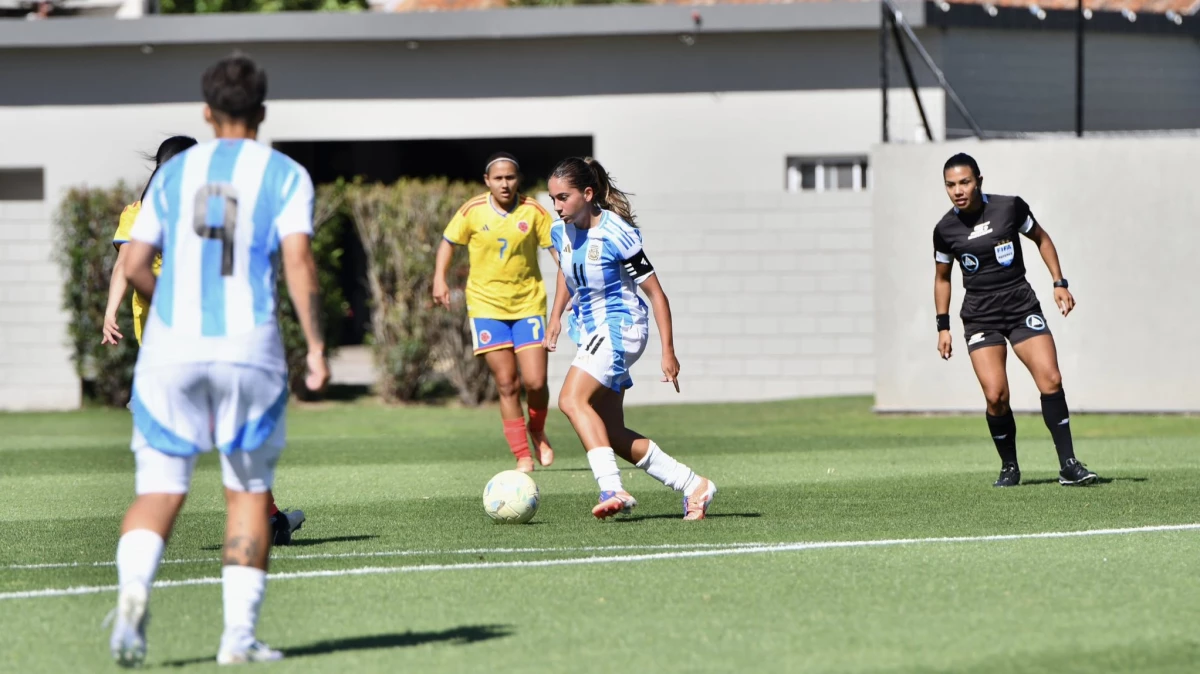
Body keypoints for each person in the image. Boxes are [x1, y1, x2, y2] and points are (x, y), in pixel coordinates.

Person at [108, 53, 329, 667]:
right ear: (262, 112)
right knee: (248, 494)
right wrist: (315, 347)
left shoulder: (172, 177)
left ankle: (131, 602)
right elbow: (299, 264)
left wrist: (174, 305)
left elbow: (133, 265)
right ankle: (238, 638)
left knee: (159, 490)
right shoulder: (285, 174)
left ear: (207, 113)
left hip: (169, 351)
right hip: (246, 348)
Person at [104, 136, 307, 547]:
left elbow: (126, 264)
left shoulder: (145, 212)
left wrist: (110, 311)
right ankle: (268, 520)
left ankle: (266, 519)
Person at [544, 157, 716, 520]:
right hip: (593, 332)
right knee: (610, 432)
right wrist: (555, 316)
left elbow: (657, 294)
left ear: (587, 194)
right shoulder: (560, 232)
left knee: (571, 400)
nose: (556, 206)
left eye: (563, 197)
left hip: (621, 328)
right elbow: (565, 271)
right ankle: (693, 485)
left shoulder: (616, 233)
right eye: (553, 198)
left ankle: (612, 488)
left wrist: (668, 352)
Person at [933, 152, 1097, 488]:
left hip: (1021, 307)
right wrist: (943, 327)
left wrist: (1059, 283)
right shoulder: (944, 230)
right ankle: (1009, 467)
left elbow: (1042, 239)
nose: (958, 191)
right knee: (996, 396)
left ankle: (1068, 465)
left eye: (964, 182)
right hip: (980, 317)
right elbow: (942, 278)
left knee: (1051, 379)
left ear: (979, 180)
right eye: (950, 185)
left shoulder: (1009, 208)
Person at [433, 152, 557, 473]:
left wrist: (574, 282)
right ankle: (522, 455)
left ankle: (537, 429)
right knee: (506, 383)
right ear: (487, 181)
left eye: (510, 177)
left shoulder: (534, 211)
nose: (505, 183)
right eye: (498, 178)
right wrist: (439, 279)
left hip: (528, 304)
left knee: (536, 381)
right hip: (486, 306)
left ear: (519, 180)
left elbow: (556, 250)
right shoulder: (472, 210)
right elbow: (448, 241)